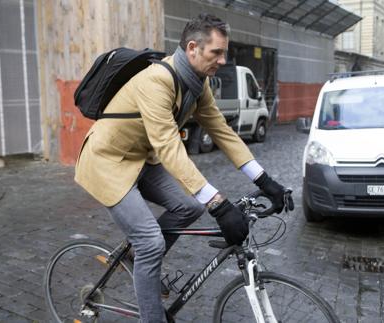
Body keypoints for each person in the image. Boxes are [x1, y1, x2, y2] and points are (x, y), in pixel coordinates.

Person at [75, 13, 293, 323]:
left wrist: (265, 180)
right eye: (216, 52)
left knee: (190, 207)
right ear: (192, 48)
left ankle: (139, 259)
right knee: (151, 240)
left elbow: (221, 131)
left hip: (140, 159)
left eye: (224, 52)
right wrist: (217, 203)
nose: (223, 59)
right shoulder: (157, 80)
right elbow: (168, 147)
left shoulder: (197, 84)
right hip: (107, 161)